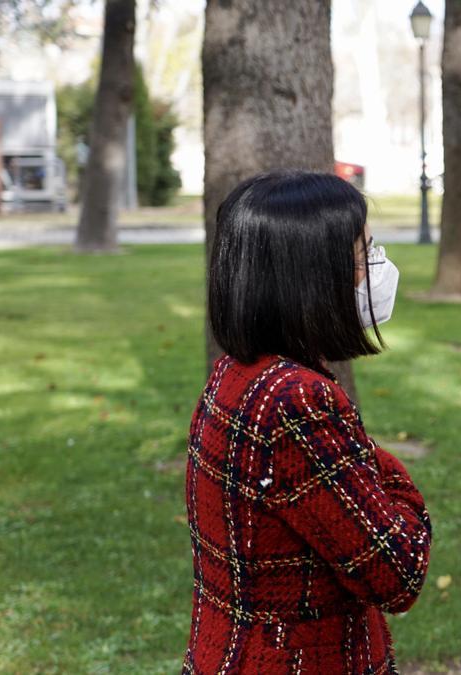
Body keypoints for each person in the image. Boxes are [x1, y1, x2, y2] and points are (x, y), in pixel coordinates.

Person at [182, 171, 431, 674]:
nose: (376, 268)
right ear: (313, 275)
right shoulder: (299, 403)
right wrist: (385, 471)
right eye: (364, 254)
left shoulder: (237, 373)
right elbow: (398, 572)